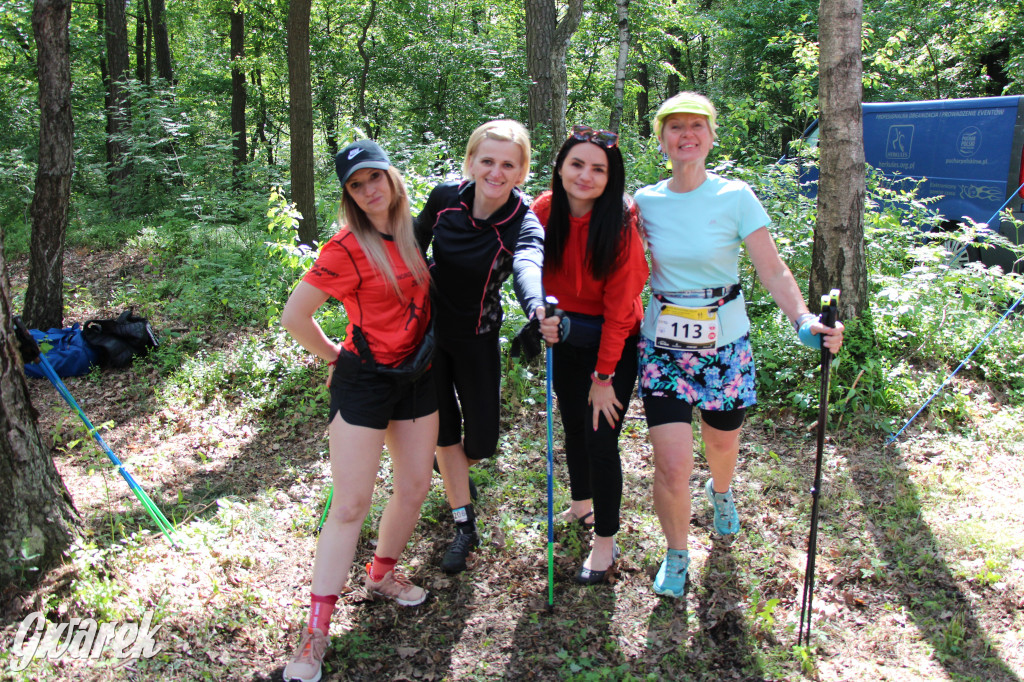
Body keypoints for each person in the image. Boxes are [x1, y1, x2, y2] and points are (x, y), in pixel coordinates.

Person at [634, 93, 845, 598]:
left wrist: (802, 318)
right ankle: (677, 552)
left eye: (697, 127)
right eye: (676, 127)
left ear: (711, 136)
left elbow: (771, 268)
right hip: (662, 348)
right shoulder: (641, 202)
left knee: (722, 443)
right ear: (661, 139)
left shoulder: (736, 196)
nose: (687, 135)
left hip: (725, 345)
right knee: (671, 464)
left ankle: (721, 491)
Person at [280, 140, 438, 682]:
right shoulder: (346, 248)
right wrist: (334, 356)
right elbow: (295, 316)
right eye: (356, 184)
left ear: (392, 177)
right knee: (350, 505)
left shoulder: (421, 229)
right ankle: (314, 635)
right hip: (364, 381)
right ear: (349, 195)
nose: (369, 189)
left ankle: (382, 574)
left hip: (417, 377)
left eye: (375, 177)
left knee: (416, 485)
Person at [415, 120, 546, 573]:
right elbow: (412, 247)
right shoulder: (444, 198)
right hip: (427, 335)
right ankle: (463, 523)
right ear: (470, 162)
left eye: (508, 164)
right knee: (444, 432)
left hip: (478, 337)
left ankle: (451, 464)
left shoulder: (523, 221)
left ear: (521, 171)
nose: (495, 171)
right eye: (487, 160)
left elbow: (529, 264)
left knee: (483, 442)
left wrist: (537, 309)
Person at [536, 126, 649, 584]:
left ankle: (605, 540)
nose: (585, 175)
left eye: (597, 169)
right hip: (564, 338)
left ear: (611, 177)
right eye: (576, 164)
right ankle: (580, 505)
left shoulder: (622, 225)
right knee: (573, 424)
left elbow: (621, 311)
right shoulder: (543, 211)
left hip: (613, 345)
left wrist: (604, 378)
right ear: (560, 167)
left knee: (601, 436)